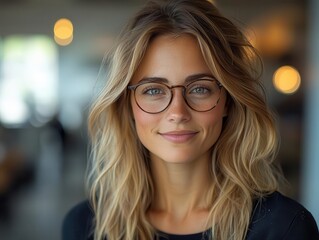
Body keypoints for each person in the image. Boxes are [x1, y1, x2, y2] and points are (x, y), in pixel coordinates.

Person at [62, 0, 319, 239]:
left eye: (199, 89)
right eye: (153, 90)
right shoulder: (84, 225)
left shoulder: (284, 228)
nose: (177, 113)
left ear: (228, 100)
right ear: (128, 105)